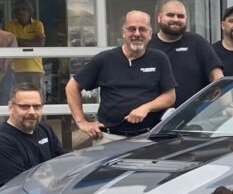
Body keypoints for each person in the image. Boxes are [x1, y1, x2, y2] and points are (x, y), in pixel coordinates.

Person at [65, 10, 177, 143]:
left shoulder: (159, 59)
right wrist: (82, 122)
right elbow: (72, 87)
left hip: (147, 138)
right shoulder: (105, 59)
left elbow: (170, 97)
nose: (137, 34)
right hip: (109, 138)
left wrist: (145, 108)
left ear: (149, 34)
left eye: (142, 29)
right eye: (132, 29)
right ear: (124, 32)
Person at [148, 0, 224, 106]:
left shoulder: (197, 42)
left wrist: (228, 106)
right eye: (170, 15)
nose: (176, 19)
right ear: (159, 17)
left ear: (186, 19)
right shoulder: (148, 45)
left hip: (193, 113)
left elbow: (218, 78)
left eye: (180, 16)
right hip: (154, 114)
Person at [4, 1, 46, 91]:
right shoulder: (10, 25)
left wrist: (16, 40)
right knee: (18, 96)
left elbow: (39, 44)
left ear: (30, 11)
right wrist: (31, 42)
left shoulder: (37, 24)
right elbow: (8, 44)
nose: (21, 12)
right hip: (16, 69)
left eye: (24, 9)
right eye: (18, 10)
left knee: (36, 95)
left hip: (35, 68)